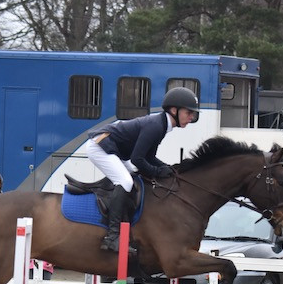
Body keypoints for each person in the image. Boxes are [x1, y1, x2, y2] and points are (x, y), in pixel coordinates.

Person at [85, 86, 199, 253]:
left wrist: (168, 169)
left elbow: (149, 157)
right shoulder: (156, 125)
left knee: (134, 179)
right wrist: (158, 171)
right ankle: (112, 236)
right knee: (124, 181)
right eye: (189, 113)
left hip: (115, 149)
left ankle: (126, 227)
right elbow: (137, 159)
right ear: (174, 110)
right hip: (100, 146)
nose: (191, 117)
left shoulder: (161, 125)